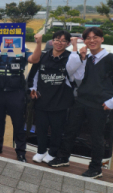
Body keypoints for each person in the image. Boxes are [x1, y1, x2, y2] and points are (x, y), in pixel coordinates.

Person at [49, 27, 113, 179]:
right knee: (70, 130)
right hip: (82, 100)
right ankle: (63, 158)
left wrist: (112, 102)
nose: (92, 40)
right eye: (88, 38)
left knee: (96, 137)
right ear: (85, 41)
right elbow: (79, 77)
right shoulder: (87, 57)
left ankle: (95, 168)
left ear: (102, 39)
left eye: (95, 37)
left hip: (100, 104)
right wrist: (81, 58)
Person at [0, 30, 33, 162]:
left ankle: (21, 151)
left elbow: (34, 59)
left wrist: (39, 43)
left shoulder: (22, 49)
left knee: (18, 122)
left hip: (16, 92)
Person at [28, 31, 74, 164]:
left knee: (57, 130)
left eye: (63, 41)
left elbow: (74, 79)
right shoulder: (42, 56)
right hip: (42, 99)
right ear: (52, 41)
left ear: (68, 43)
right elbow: (33, 76)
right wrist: (32, 90)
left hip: (60, 100)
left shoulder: (70, 58)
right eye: (57, 40)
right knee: (41, 128)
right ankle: (41, 150)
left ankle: (53, 152)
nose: (60, 43)